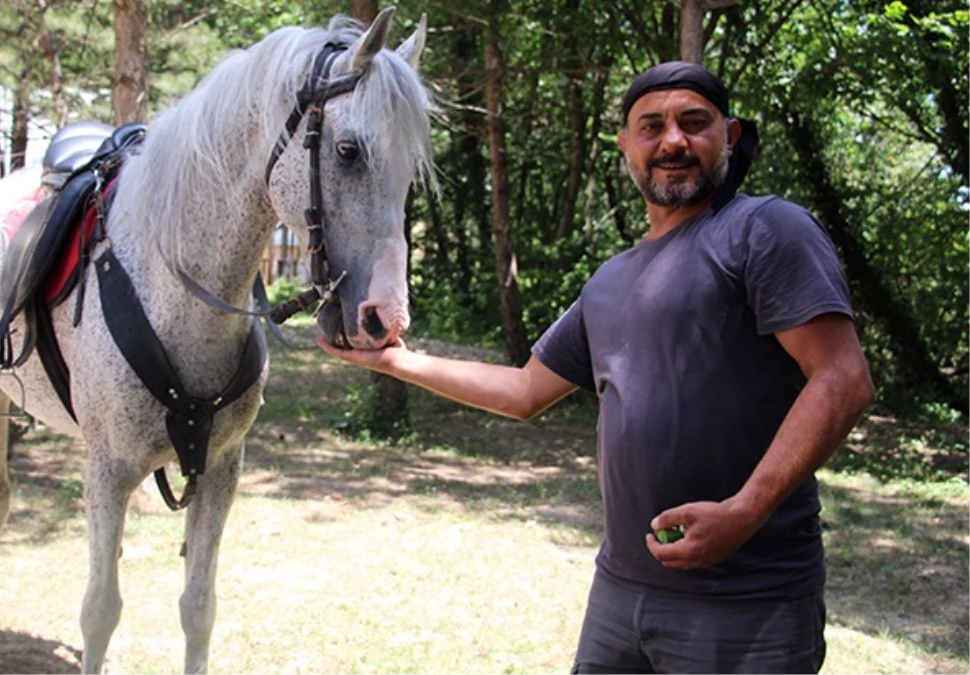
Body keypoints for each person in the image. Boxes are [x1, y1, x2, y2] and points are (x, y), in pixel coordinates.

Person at [319, 61, 875, 674]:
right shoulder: (611, 280)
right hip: (619, 592)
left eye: (694, 123)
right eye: (652, 126)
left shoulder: (764, 229)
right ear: (625, 146)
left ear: (730, 136)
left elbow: (841, 379)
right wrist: (397, 361)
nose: (673, 141)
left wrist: (745, 510)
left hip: (747, 603)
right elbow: (525, 390)